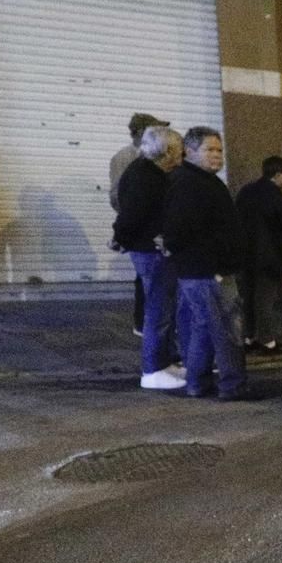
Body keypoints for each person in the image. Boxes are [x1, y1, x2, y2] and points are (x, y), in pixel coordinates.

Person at [160, 126, 250, 400]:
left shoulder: (204, 180)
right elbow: (177, 230)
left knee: (204, 327)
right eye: (210, 149)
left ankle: (197, 382)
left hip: (204, 269)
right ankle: (232, 384)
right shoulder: (189, 183)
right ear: (190, 151)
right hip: (209, 270)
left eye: (219, 150)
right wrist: (214, 261)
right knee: (227, 330)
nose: (217, 155)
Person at [113, 124, 186, 390]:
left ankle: (164, 363)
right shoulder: (146, 177)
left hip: (150, 249)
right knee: (157, 311)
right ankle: (153, 369)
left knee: (163, 309)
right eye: (179, 149)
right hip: (151, 252)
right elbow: (130, 215)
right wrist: (121, 238)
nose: (183, 154)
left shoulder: (147, 172)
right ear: (167, 151)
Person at [235, 155, 282, 355]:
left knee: (249, 299)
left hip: (244, 255)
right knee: (265, 301)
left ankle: (249, 337)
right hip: (270, 257)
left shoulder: (246, 192)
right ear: (278, 175)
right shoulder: (279, 200)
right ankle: (267, 341)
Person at [111, 111, 163, 335]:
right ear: (142, 133)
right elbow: (118, 195)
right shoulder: (127, 158)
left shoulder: (152, 156)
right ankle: (144, 323)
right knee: (147, 278)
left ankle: (148, 323)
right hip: (139, 227)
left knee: (151, 278)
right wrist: (129, 223)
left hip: (146, 226)